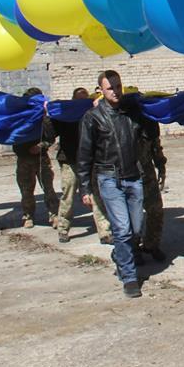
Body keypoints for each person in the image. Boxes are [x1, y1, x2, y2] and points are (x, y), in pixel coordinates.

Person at [76, 70, 157, 298]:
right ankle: (130, 277)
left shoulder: (130, 113)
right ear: (100, 90)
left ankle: (121, 255)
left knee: (136, 227)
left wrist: (143, 108)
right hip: (109, 178)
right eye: (110, 88)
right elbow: (84, 154)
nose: (116, 91)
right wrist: (85, 187)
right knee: (122, 229)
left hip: (133, 177)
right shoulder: (92, 118)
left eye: (118, 86)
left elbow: (149, 132)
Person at [46, 87, 112, 244]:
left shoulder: (92, 115)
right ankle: (63, 229)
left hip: (90, 160)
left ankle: (105, 232)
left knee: (96, 196)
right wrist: (48, 115)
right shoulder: (64, 116)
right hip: (69, 160)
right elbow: (50, 133)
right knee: (68, 195)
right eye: (79, 100)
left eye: (85, 99)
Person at [12, 87, 59, 228]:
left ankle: (54, 215)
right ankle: (28, 216)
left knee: (48, 189)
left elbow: (51, 137)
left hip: (41, 158)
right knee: (26, 190)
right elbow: (14, 138)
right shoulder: (20, 118)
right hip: (24, 159)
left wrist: (41, 146)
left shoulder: (44, 119)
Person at [138, 128, 167, 261]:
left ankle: (151, 245)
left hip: (146, 173)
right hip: (124, 175)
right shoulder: (116, 117)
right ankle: (132, 249)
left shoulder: (147, 120)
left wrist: (161, 166)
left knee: (156, 210)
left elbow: (155, 146)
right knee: (131, 216)